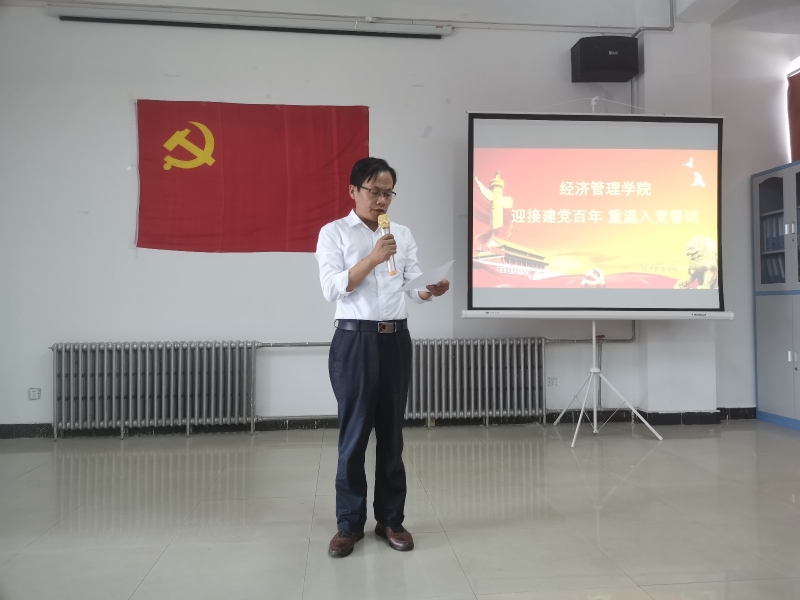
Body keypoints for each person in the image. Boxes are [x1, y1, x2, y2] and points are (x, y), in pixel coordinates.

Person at [315, 157, 450, 558]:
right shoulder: (334, 233)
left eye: (388, 193)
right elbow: (332, 288)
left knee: (392, 434)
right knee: (354, 435)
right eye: (374, 192)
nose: (382, 200)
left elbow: (410, 285)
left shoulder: (401, 234)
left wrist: (428, 289)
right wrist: (372, 259)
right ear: (353, 191)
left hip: (395, 340)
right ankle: (348, 524)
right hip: (354, 342)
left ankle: (391, 519)